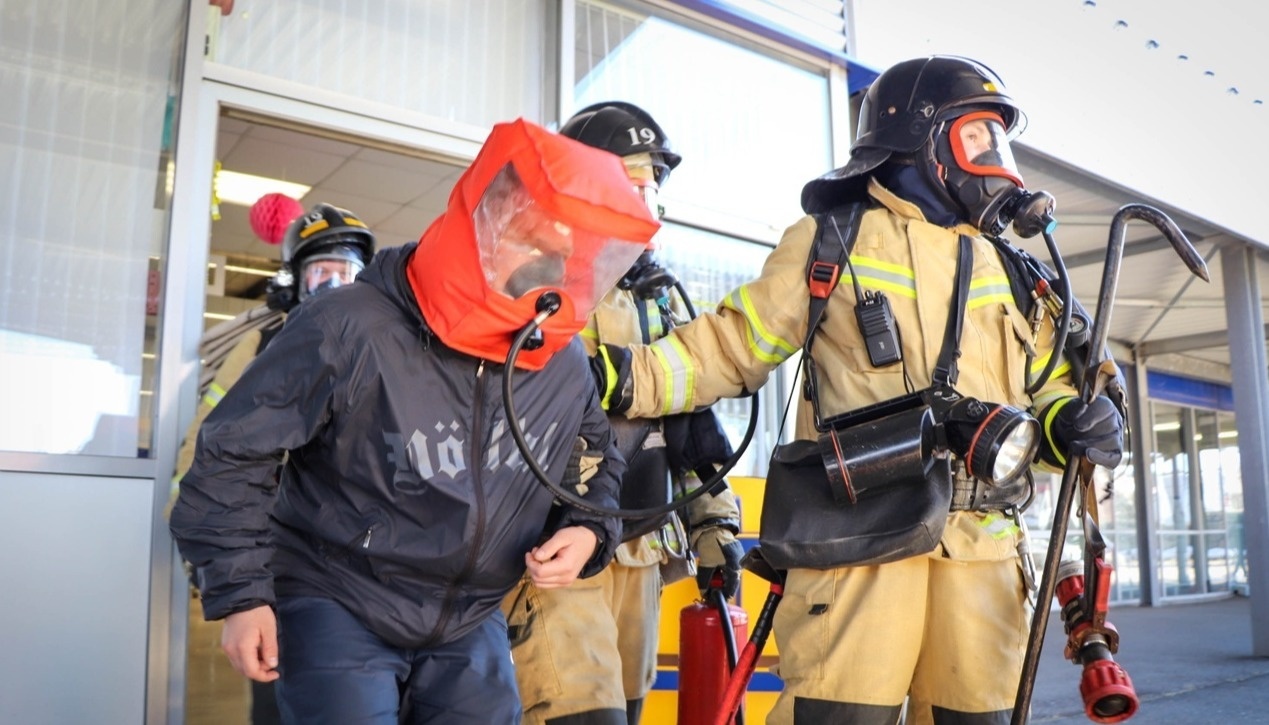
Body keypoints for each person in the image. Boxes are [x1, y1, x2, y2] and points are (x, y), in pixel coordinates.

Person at [590, 56, 1126, 724]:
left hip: (981, 556)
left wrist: (1071, 425)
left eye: (998, 139)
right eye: (976, 136)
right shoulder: (831, 240)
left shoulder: (1014, 272)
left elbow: (1046, 401)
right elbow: (727, 349)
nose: (994, 158)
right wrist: (612, 377)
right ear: (918, 142)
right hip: (858, 545)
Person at [169, 118, 662, 724]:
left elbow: (592, 460)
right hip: (338, 596)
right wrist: (240, 595)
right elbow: (233, 452)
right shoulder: (347, 325)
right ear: (486, 224)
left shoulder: (558, 360)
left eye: (563, 254)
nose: (546, 268)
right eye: (532, 242)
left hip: (468, 615)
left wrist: (587, 531)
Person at [501, 102, 744, 725]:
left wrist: (713, 530)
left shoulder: (661, 301)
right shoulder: (529, 285)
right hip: (551, 547)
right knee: (582, 713)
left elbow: (695, 433)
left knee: (629, 710)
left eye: (653, 184)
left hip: (636, 548)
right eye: (631, 181)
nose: (648, 197)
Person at [171, 200, 376, 725]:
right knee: (282, 703)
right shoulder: (261, 346)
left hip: (368, 573)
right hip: (282, 568)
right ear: (295, 283)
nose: (333, 285)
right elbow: (207, 449)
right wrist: (223, 565)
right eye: (320, 273)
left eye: (345, 272)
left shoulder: (381, 350)